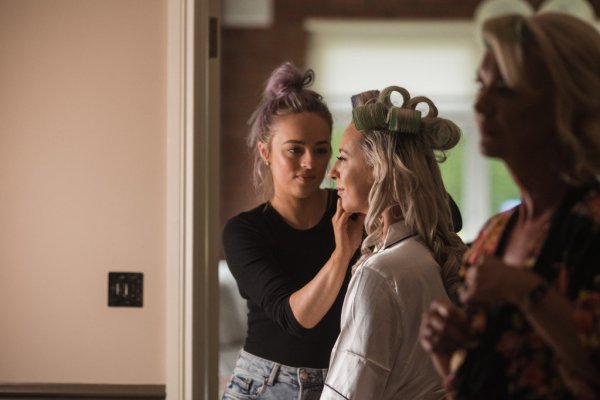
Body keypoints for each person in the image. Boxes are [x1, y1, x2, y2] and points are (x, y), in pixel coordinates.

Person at [419, 12, 600, 400]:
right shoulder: (493, 235)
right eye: (480, 85)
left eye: (505, 90)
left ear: (562, 106)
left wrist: (526, 291)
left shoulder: (594, 222)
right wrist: (447, 353)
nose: (480, 105)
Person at [221, 62, 365, 400]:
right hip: (263, 386)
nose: (310, 163)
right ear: (265, 152)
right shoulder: (245, 232)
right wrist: (342, 254)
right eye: (294, 150)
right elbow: (297, 319)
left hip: (342, 382)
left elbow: (449, 216)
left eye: (321, 149)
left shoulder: (351, 211)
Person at [321, 86, 467, 399]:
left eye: (343, 158)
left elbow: (346, 394)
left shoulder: (380, 273)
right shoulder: (428, 258)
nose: (332, 172)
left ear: (380, 169)